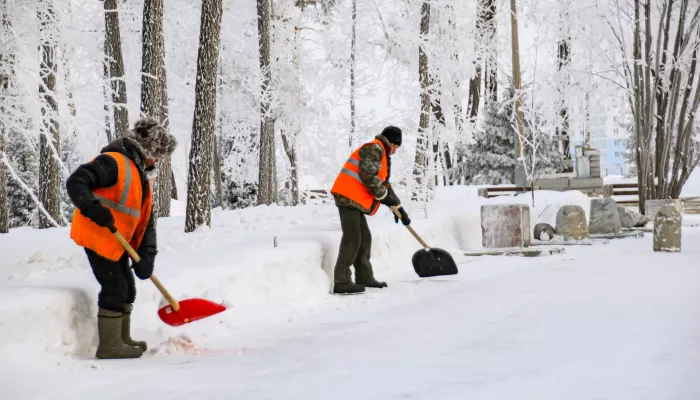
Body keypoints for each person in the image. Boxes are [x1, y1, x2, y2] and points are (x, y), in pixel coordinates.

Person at [66, 118, 177, 359]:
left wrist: (147, 253)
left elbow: (144, 220)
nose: (158, 161)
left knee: (127, 286)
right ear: (146, 150)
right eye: (157, 155)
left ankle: (121, 338)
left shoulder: (139, 174)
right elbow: (77, 182)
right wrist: (92, 207)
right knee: (115, 286)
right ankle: (109, 346)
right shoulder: (113, 162)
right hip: (98, 234)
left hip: (116, 241)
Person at [329, 126, 411, 294]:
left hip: (354, 199)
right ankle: (341, 281)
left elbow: (384, 185)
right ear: (391, 143)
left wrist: (398, 207)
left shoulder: (382, 154)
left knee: (364, 238)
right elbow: (368, 176)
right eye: (396, 146)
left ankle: (364, 276)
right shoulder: (374, 148)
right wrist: (383, 197)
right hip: (347, 196)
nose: (396, 150)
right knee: (353, 237)